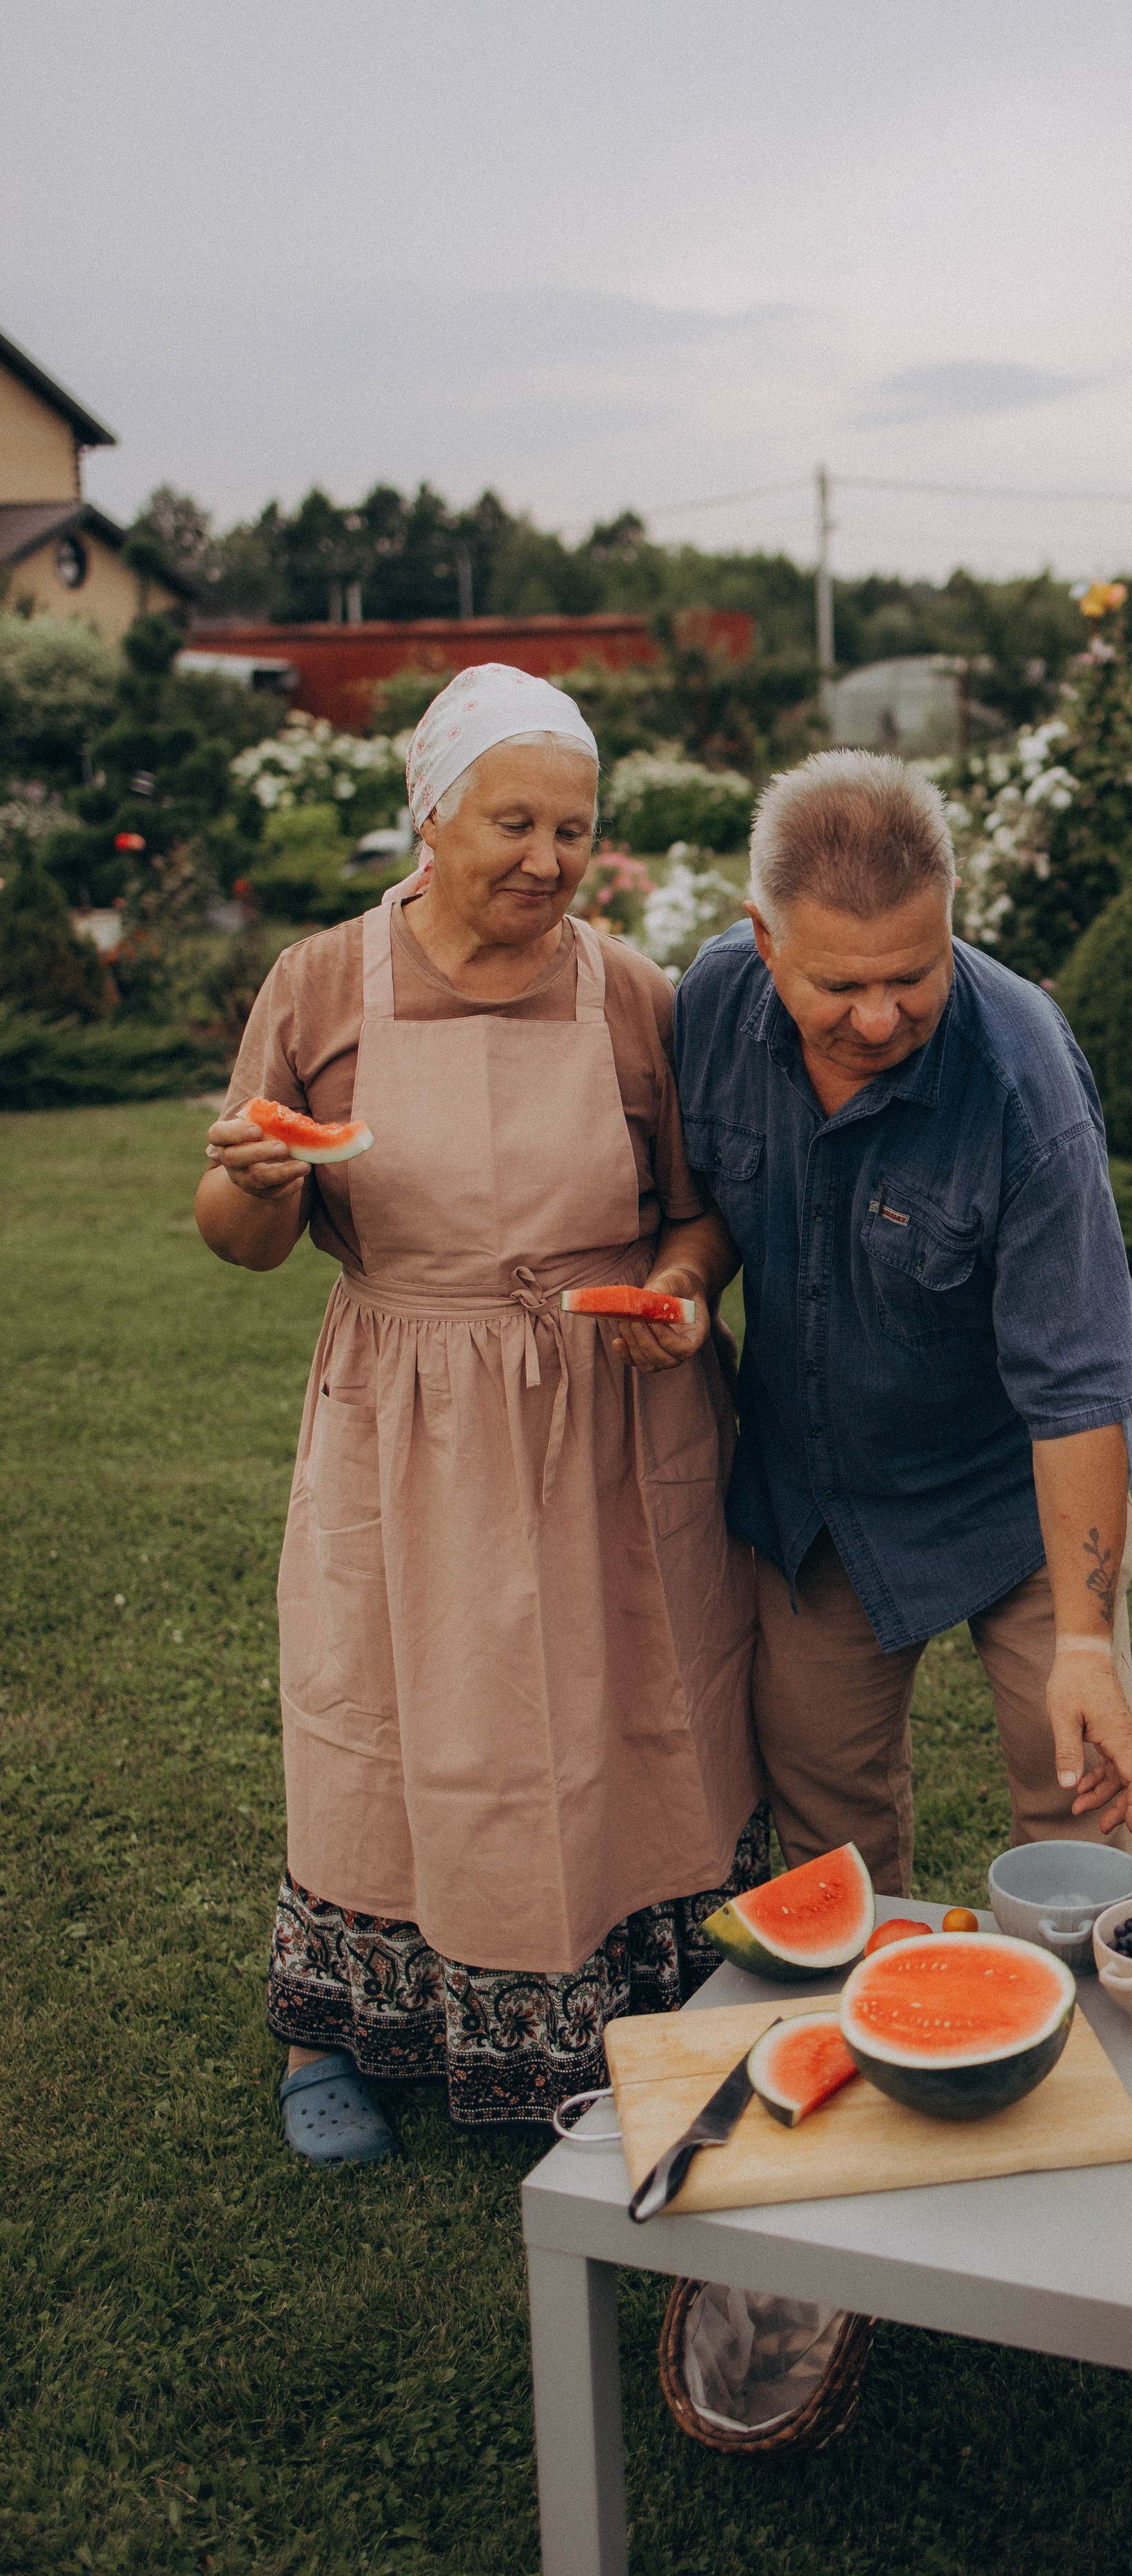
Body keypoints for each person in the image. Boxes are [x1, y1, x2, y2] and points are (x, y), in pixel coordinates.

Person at [196, 665, 762, 2164]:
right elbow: (241, 1236)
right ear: (430, 817)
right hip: (408, 1409)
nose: (547, 860)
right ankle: (337, 2029)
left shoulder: (631, 994)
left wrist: (680, 1290)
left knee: (620, 1700)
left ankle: (628, 1994)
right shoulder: (322, 983)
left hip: (609, 1407)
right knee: (384, 1709)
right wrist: (256, 1183)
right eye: (514, 824)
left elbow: (698, 1215)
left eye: (573, 829)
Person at [672, 749, 1132, 1892]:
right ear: (764, 936)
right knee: (826, 1828)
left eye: (914, 974)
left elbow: (1080, 1385)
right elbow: (711, 1206)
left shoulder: (1026, 1079)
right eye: (840, 986)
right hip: (816, 1501)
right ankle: (870, 2004)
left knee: (1077, 1809)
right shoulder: (711, 1001)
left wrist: (1086, 1643)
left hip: (1011, 1501)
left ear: (951, 919)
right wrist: (685, 1280)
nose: (881, 1018)